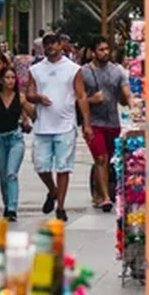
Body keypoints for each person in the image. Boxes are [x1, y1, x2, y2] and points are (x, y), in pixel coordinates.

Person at [27, 33, 93, 222]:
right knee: (41, 165)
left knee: (63, 167)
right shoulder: (36, 69)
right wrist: (38, 98)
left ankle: (61, 207)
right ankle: (52, 190)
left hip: (65, 124)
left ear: (60, 45)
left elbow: (81, 96)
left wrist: (86, 123)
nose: (49, 48)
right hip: (42, 125)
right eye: (46, 45)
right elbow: (29, 92)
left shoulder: (73, 69)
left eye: (53, 44)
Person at [82, 36, 133, 211]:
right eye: (101, 49)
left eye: (106, 49)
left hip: (113, 123)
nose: (104, 53)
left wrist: (132, 102)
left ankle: (98, 192)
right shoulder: (84, 72)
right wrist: (91, 100)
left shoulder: (117, 71)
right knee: (101, 158)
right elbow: (76, 100)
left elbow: (126, 93)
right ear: (92, 52)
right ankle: (105, 197)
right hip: (93, 123)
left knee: (105, 159)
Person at [0, 67, 33, 222]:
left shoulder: (20, 98)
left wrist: (32, 107)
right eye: (7, 77)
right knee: (4, 176)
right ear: (1, 80)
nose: (10, 81)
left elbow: (33, 113)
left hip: (15, 139)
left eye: (13, 78)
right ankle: (7, 204)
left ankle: (12, 208)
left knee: (12, 173)